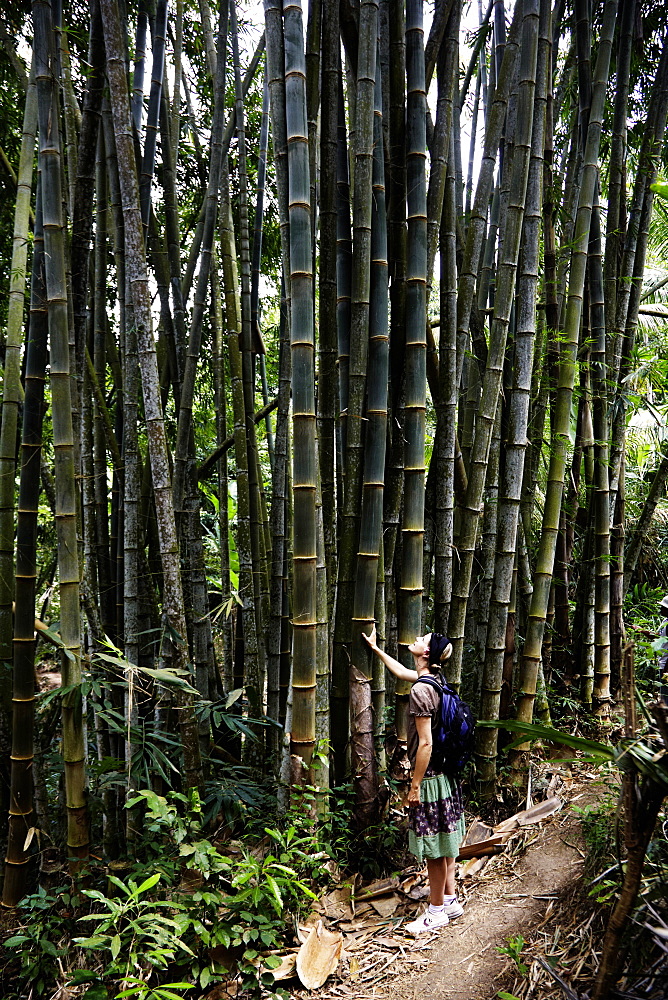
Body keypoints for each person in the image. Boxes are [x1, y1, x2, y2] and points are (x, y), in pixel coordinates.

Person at [362, 626, 466, 935]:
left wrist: (415, 784)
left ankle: (435, 912)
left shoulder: (422, 691)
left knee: (434, 848)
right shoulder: (434, 681)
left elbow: (425, 743)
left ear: (426, 653)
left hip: (431, 778)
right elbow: (403, 672)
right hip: (445, 775)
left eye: (423, 639)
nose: (417, 638)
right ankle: (450, 900)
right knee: (446, 840)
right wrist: (377, 649)